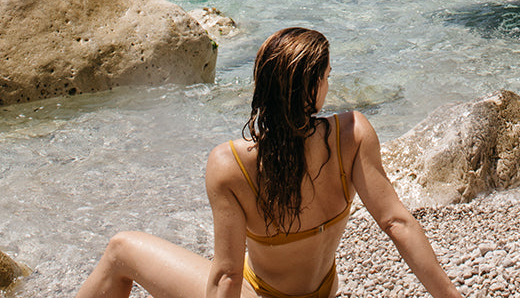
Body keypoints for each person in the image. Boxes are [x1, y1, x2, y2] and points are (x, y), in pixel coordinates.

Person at [74, 26, 465, 298]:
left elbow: (227, 275)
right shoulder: (353, 134)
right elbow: (397, 223)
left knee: (121, 249)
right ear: (313, 88)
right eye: (327, 76)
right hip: (321, 291)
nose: (329, 83)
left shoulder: (230, 164)